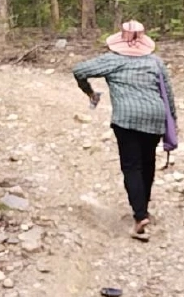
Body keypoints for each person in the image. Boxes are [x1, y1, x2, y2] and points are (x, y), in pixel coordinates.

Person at [73, 21, 177, 242]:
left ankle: (139, 216)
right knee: (147, 163)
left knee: (131, 166)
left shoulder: (113, 60)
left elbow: (79, 70)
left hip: (127, 119)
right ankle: (144, 209)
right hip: (154, 116)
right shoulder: (155, 62)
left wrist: (89, 92)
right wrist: (173, 122)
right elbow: (167, 93)